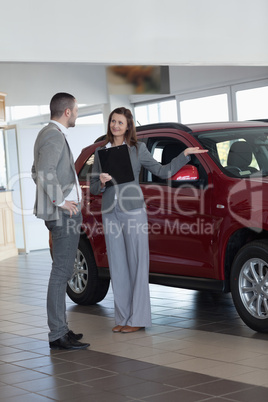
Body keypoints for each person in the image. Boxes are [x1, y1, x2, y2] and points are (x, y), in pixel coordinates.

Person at [90, 107, 208, 333]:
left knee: (137, 263)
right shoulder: (100, 152)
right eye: (113, 121)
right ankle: (123, 317)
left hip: (133, 210)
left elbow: (162, 171)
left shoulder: (137, 149)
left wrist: (184, 156)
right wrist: (102, 181)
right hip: (110, 211)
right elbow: (94, 186)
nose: (116, 126)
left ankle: (138, 319)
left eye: (120, 123)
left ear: (128, 126)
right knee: (117, 265)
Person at [31, 92, 90, 350]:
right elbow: (44, 173)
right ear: (67, 111)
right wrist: (61, 202)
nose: (77, 114)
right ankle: (57, 334)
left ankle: (61, 330)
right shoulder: (53, 135)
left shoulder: (48, 134)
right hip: (62, 216)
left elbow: (37, 172)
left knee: (62, 272)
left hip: (62, 213)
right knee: (61, 274)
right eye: (75, 110)